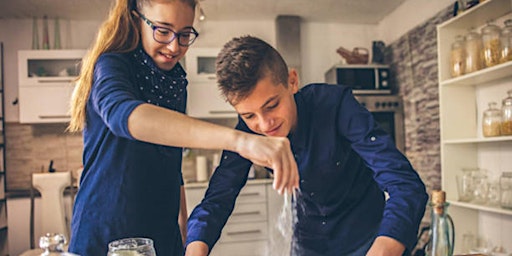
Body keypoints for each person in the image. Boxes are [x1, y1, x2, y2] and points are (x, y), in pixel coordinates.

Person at [67, 1, 299, 255]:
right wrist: (241, 140)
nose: (174, 46)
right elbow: (127, 117)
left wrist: (185, 226)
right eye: (163, 31)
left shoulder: (175, 80)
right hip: (107, 230)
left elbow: (170, 159)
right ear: (137, 21)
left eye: (185, 34)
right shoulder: (112, 65)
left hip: (162, 233)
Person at [185, 35, 428, 256]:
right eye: (249, 116)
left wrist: (384, 249)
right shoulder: (245, 134)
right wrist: (196, 249)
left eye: (272, 105)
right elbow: (216, 201)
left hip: (371, 238)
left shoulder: (335, 105)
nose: (264, 124)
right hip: (308, 245)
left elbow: (405, 185)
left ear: (292, 81)